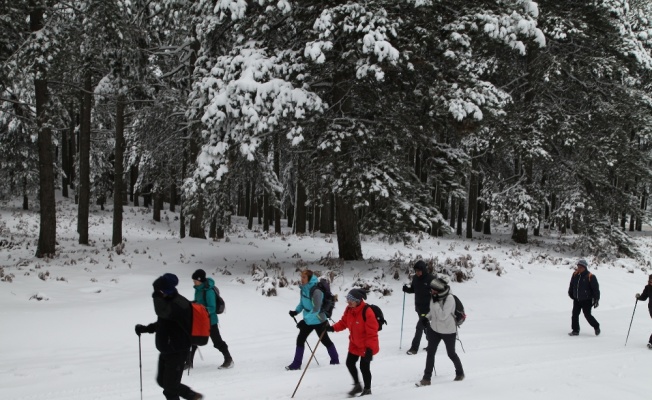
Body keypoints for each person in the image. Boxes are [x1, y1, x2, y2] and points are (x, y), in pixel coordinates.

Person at [134, 273, 203, 400]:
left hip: (178, 350)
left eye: (158, 291)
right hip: (167, 349)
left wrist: (156, 297)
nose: (156, 293)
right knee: (163, 382)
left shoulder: (179, 304)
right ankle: (191, 395)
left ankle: (191, 396)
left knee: (170, 389)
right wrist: (146, 329)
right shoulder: (169, 301)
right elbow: (164, 323)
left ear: (165, 290)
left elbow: (163, 313)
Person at [327, 288, 379, 397]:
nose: (348, 302)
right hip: (354, 343)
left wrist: (370, 349)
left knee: (364, 367)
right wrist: (332, 328)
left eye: (351, 300)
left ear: (358, 300)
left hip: (366, 345)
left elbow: (372, 333)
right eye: (348, 300)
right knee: (350, 363)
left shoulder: (367, 312)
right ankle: (357, 385)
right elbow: (343, 322)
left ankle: (367, 389)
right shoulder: (349, 309)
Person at [286, 269, 339, 370]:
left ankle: (335, 361)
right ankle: (296, 364)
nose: (302, 279)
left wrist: (304, 320)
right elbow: (302, 303)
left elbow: (316, 309)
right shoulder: (303, 289)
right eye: (301, 277)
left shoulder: (316, 291)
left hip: (319, 319)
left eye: (304, 277)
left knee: (325, 340)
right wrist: (296, 312)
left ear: (309, 278)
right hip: (308, 319)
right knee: (300, 339)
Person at [418, 278, 464, 386]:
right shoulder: (435, 297)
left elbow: (443, 316)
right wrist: (427, 317)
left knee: (451, 353)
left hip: (448, 331)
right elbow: (433, 311)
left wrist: (435, 302)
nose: (431, 291)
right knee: (430, 352)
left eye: (433, 290)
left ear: (439, 290)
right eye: (431, 290)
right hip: (434, 329)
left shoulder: (449, 299)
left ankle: (460, 373)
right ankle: (426, 379)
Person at [185, 269, 233, 369]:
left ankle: (229, 360)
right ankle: (189, 363)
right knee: (192, 340)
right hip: (200, 320)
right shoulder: (198, 289)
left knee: (217, 341)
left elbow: (212, 308)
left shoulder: (209, 291)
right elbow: (199, 302)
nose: (194, 282)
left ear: (200, 280)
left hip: (210, 321)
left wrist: (198, 309)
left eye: (195, 280)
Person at [402, 260, 434, 355]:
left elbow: (439, 291)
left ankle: (414, 348)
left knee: (419, 327)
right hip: (419, 307)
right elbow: (413, 289)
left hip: (428, 308)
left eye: (419, 271)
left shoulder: (430, 279)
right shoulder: (415, 278)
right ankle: (432, 343)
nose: (417, 272)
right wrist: (407, 290)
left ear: (423, 270)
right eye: (416, 271)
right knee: (426, 327)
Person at [568, 259, 601, 336]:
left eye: (580, 267)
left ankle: (596, 326)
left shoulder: (591, 276)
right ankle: (575, 330)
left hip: (587, 300)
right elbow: (572, 285)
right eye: (578, 266)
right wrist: (571, 293)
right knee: (575, 314)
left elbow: (596, 289)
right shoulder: (575, 275)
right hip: (577, 299)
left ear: (584, 267)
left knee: (587, 315)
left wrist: (596, 300)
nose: (578, 268)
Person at [635, 274, 652, 349]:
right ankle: (651, 342)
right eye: (650, 281)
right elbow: (644, 297)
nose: (651, 282)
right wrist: (638, 297)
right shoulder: (648, 288)